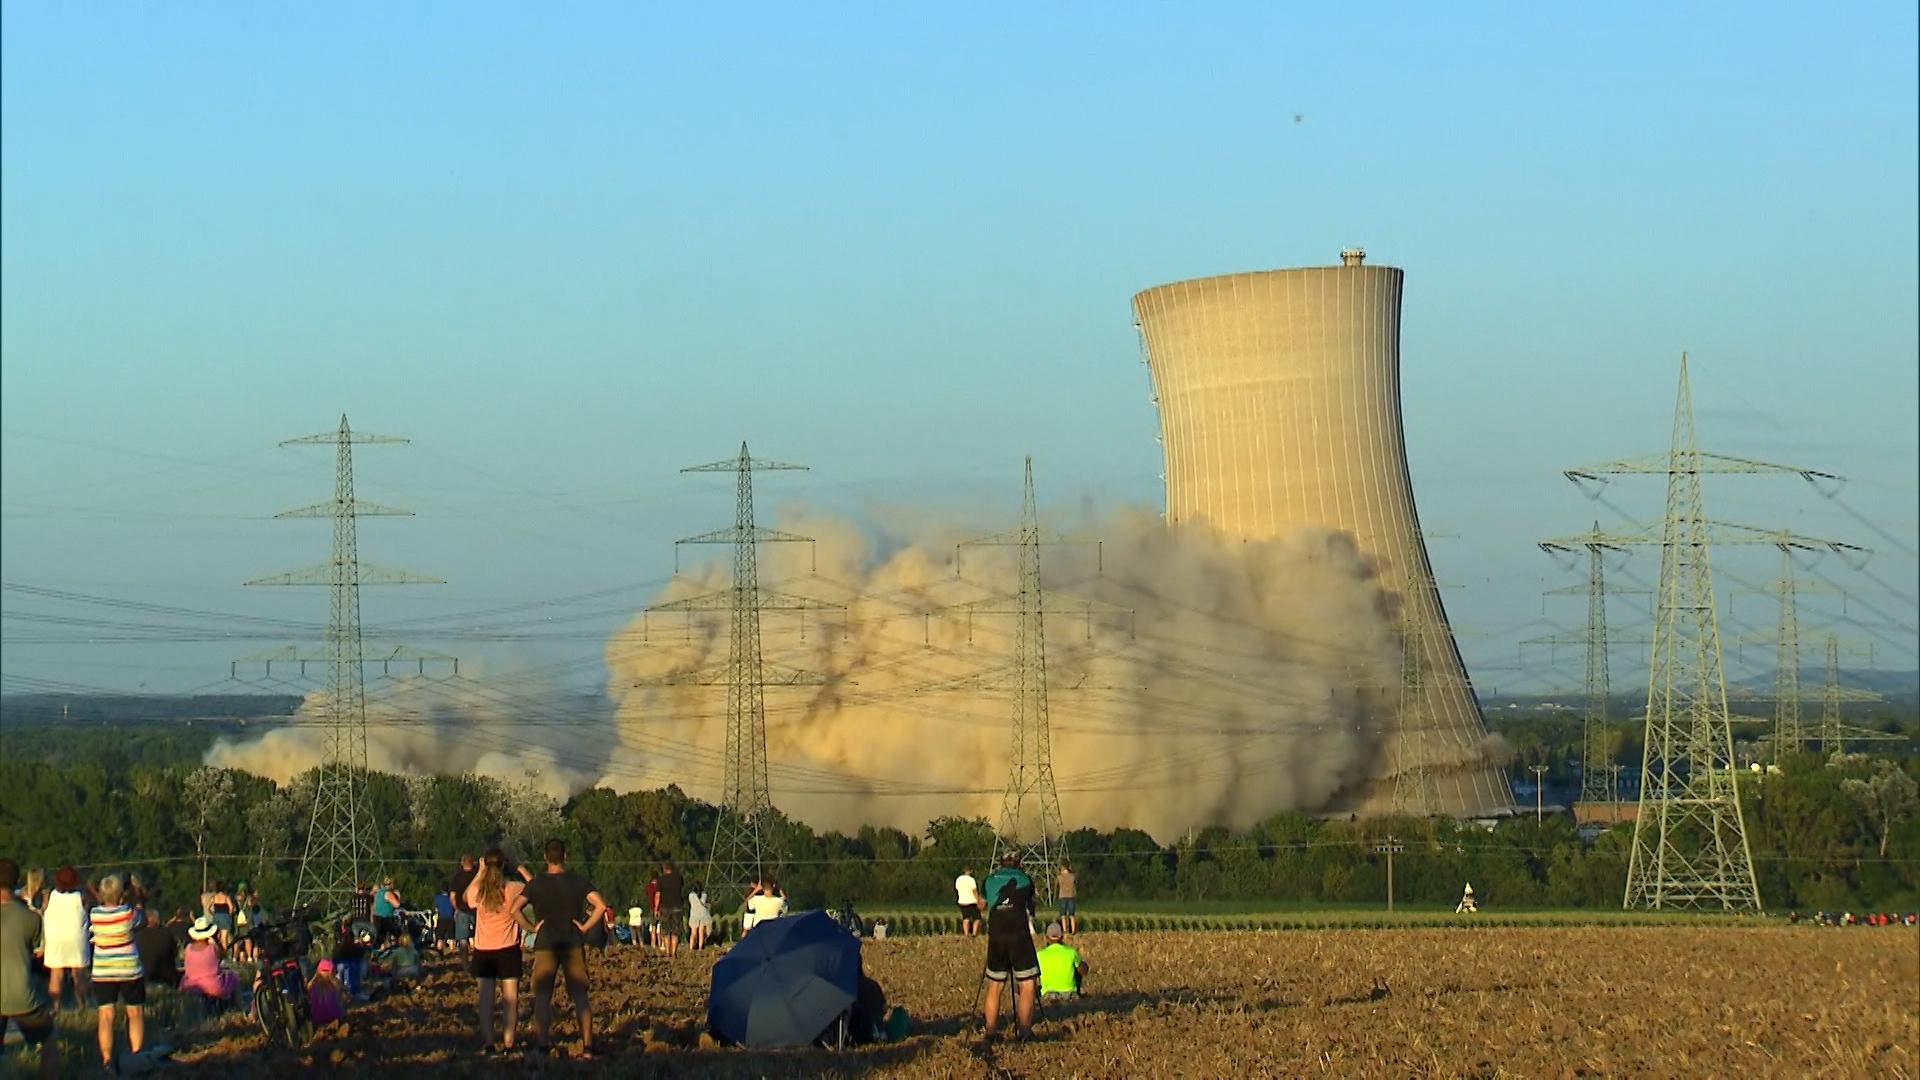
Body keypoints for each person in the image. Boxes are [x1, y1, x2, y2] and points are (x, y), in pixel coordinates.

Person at [513, 838, 607, 1061]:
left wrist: (531, 928)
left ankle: (543, 1046)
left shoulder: (536, 883)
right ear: (565, 856)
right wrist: (584, 927)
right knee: (581, 996)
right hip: (573, 942)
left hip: (546, 943)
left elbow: (514, 909)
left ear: (546, 858)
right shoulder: (577, 880)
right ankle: (587, 1047)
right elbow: (601, 906)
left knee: (543, 996)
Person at [1, 859, 60, 1079]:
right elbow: (39, 953)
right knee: (49, 1037)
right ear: (16, 881)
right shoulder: (31, 919)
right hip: (21, 996)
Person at [465, 848, 526, 1055]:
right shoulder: (513, 888)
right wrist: (518, 867)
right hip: (508, 949)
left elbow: (465, 897)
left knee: (485, 1002)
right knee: (511, 1000)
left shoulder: (479, 892)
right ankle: (509, 1045)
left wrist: (480, 871)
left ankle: (489, 1045)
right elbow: (535, 887)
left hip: (484, 951)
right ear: (503, 865)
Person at [89, 872, 147, 1071]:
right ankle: (136, 1054)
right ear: (121, 895)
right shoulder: (128, 914)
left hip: (103, 970)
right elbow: (142, 919)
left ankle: (106, 1061)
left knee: (106, 1016)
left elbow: (101, 902)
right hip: (129, 969)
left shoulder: (95, 914)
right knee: (135, 1012)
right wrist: (136, 894)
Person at [978, 853, 1039, 1042]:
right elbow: (1031, 907)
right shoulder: (1026, 880)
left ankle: (990, 1031)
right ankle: (1024, 1031)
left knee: (995, 985)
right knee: (1027, 984)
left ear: (1000, 863)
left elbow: (982, 905)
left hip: (996, 936)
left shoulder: (988, 880)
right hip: (1019, 935)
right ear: (1019, 862)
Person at [41, 865, 89, 1012]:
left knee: (56, 975)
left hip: (55, 938)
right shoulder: (81, 897)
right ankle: (82, 1005)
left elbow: (43, 910)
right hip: (76, 937)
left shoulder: (49, 896)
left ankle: (55, 1007)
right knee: (79, 974)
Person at [179, 917, 237, 1004]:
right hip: (213, 985)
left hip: (190, 985)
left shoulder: (188, 948)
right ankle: (239, 1007)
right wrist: (216, 941)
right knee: (234, 977)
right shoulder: (213, 947)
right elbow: (223, 956)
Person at [1036, 921, 1087, 1001]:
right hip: (1070, 994)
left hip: (1048, 995)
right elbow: (1083, 970)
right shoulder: (1071, 952)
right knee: (1077, 966)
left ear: (1047, 938)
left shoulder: (1039, 955)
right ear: (1062, 937)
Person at [134, 905, 179, 989]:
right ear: (157, 920)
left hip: (142, 979)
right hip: (165, 979)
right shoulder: (166, 934)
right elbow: (175, 953)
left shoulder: (137, 936)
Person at [655, 860, 686, 958]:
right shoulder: (678, 878)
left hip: (665, 907)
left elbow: (658, 895)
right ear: (672, 868)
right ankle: (674, 952)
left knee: (666, 931)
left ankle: (668, 952)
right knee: (676, 931)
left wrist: (656, 908)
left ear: (664, 869)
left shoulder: (660, 879)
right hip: (677, 907)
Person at [450, 854, 479, 957]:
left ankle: (465, 963)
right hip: (477, 910)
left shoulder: (457, 877)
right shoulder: (478, 876)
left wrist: (456, 908)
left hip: (462, 910)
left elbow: (452, 896)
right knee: (479, 937)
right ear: (473, 862)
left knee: (463, 939)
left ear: (462, 863)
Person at [308, 959, 347, 1027]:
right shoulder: (335, 984)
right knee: (342, 999)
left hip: (318, 1019)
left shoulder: (312, 984)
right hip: (333, 1017)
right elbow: (344, 994)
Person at [205, 881, 236, 951]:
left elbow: (208, 908)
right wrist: (229, 915)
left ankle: (215, 953)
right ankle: (224, 955)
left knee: (216, 937)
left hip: (216, 916)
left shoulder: (214, 897)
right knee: (224, 938)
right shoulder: (226, 897)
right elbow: (231, 908)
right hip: (225, 916)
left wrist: (213, 914)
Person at [372, 878, 402, 948]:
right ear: (391, 884)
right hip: (385, 918)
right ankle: (398, 947)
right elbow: (397, 905)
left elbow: (375, 906)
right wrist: (397, 897)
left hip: (376, 917)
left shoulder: (378, 893)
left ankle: (376, 950)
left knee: (379, 937)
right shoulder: (388, 893)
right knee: (397, 933)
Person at [955, 866, 981, 938]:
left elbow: (957, 889)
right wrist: (978, 900)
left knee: (966, 918)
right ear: (970, 871)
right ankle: (974, 934)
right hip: (972, 901)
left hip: (962, 901)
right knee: (977, 918)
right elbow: (974, 891)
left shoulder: (958, 879)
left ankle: (966, 934)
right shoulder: (971, 880)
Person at [1055, 860, 1078, 936]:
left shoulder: (1059, 877)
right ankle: (1073, 931)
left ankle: (1065, 931)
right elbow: (1075, 883)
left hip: (1062, 896)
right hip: (1071, 896)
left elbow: (1056, 885)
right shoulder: (1072, 876)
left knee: (1063, 915)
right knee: (1072, 915)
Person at [688, 883, 712, 951]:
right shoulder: (704, 894)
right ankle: (700, 948)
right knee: (701, 932)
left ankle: (691, 948)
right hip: (702, 914)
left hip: (694, 915)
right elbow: (703, 903)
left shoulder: (691, 895)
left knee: (693, 933)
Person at [433, 887, 456, 951]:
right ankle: (452, 952)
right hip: (450, 918)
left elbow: (436, 909)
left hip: (441, 918)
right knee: (451, 937)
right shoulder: (451, 898)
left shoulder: (437, 898)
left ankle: (440, 952)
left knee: (440, 937)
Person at [643, 876, 660, 949]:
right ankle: (661, 944)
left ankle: (653, 944)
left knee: (653, 927)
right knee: (660, 927)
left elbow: (646, 894)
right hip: (660, 909)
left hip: (651, 909)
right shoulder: (659, 887)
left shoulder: (648, 887)